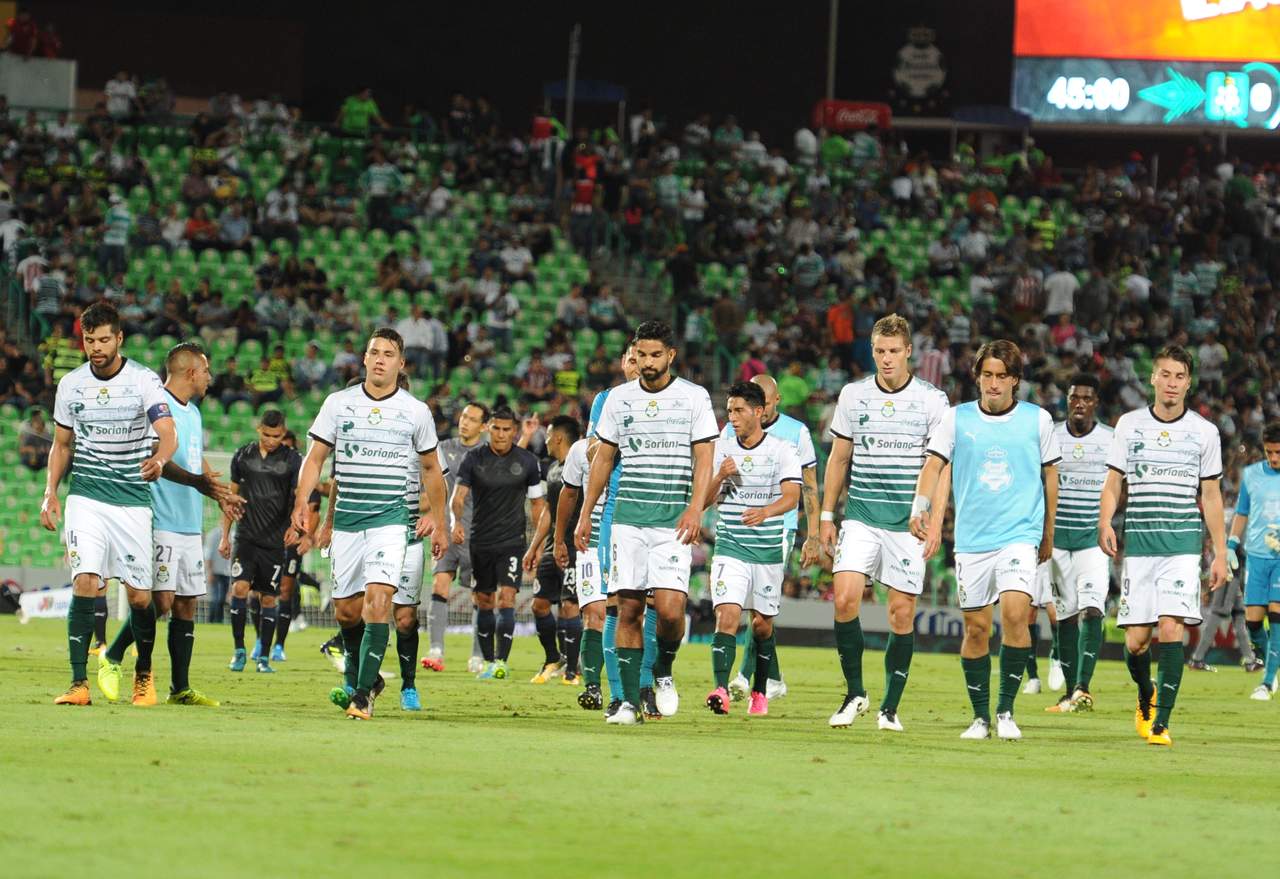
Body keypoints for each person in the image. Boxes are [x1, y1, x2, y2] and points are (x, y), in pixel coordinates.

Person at [294, 328, 448, 720]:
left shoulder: (415, 411)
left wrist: (439, 520)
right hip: (348, 521)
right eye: (374, 352)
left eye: (388, 354)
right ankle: (364, 676)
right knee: (347, 612)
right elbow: (315, 459)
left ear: (401, 363)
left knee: (379, 602)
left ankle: (362, 694)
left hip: (390, 521)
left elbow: (432, 470)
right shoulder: (338, 403)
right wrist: (301, 504)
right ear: (364, 358)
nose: (380, 359)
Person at [912, 339, 1060, 741]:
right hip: (973, 539)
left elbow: (1050, 476)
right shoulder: (956, 419)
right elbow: (933, 465)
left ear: (1015, 380)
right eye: (987, 375)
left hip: (1019, 534)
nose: (993, 383)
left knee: (1014, 614)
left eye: (1002, 376)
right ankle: (980, 718)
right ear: (977, 377)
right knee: (976, 630)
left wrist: (1047, 531)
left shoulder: (1038, 420)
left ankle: (1006, 710)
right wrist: (920, 507)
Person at [574, 320, 717, 725]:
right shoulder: (618, 399)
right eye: (642, 355)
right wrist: (586, 512)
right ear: (633, 355)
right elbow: (603, 458)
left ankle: (663, 668)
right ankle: (626, 703)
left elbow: (705, 456)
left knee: (670, 611)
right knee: (628, 608)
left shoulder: (693, 397)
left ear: (670, 355)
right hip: (628, 520)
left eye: (656, 355)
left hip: (672, 520)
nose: (648, 362)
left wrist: (696, 508)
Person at [41, 303, 178, 706]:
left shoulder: (143, 380)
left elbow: (167, 432)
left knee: (140, 597)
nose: (96, 348)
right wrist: (50, 491)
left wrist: (160, 459)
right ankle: (78, 683)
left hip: (132, 501)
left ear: (119, 338)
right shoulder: (71, 385)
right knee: (85, 580)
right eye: (90, 340)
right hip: (87, 497)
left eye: (104, 340)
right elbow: (61, 444)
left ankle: (143, 674)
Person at [821, 315, 949, 732]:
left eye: (894, 351)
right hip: (861, 516)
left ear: (908, 351)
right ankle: (854, 692)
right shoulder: (853, 395)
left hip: (908, 524)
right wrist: (826, 515)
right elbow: (839, 458)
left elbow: (941, 466)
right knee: (844, 599)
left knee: (900, 613)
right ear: (872, 351)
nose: (887, 358)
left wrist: (935, 520)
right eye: (880, 351)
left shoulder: (932, 401)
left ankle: (889, 708)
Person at [1099, 345, 1228, 746]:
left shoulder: (1204, 432)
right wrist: (1105, 520)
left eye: (1180, 377)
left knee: (1172, 627)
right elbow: (1114, 482)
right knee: (1136, 641)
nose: (1172, 383)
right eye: (1166, 375)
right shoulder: (1129, 425)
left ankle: (1162, 724)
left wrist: (1220, 552)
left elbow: (1211, 495)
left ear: (1189, 383)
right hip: (1139, 546)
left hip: (1182, 546)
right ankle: (1146, 693)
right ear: (1153, 378)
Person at [98, 343, 237, 707]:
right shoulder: (156, 406)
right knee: (161, 601)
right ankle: (112, 655)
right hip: (160, 518)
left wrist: (219, 492)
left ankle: (180, 688)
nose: (209, 378)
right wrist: (199, 482)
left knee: (186, 604)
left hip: (189, 521)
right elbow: (154, 457)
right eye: (205, 371)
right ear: (191, 372)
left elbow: (193, 456)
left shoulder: (193, 411)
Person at [704, 382, 801, 716]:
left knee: (762, 625)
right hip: (730, 545)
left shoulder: (782, 450)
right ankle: (720, 689)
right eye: (729, 410)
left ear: (758, 412)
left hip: (767, 550)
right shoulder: (722, 448)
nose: (732, 417)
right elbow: (703, 500)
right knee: (727, 614)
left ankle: (759, 690)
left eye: (739, 410)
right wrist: (720, 475)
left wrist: (766, 512)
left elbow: (792, 497)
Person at [725, 372, 820, 703]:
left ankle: (742, 676)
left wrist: (813, 535)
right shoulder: (732, 428)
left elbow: (809, 485)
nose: (760, 409)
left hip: (779, 527)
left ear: (775, 401)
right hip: (737, 527)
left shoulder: (796, 432)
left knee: (759, 606)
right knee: (753, 607)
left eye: (764, 402)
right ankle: (775, 679)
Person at [560, 346, 640, 714]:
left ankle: (645, 685)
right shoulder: (584, 447)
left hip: (640, 522)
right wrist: (561, 537)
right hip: (596, 533)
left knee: (640, 611)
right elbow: (568, 493)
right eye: (631, 359)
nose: (637, 366)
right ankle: (596, 687)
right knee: (597, 610)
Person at [452, 407, 546, 680]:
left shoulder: (528, 461)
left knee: (507, 598)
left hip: (512, 542)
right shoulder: (473, 458)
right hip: (480, 541)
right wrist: (456, 522)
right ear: (488, 428)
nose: (501, 434)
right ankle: (487, 661)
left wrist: (538, 544)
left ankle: (501, 662)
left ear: (514, 431)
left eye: (507, 430)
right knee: (484, 600)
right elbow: (458, 497)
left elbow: (538, 505)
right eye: (496, 428)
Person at [1042, 374, 1114, 713]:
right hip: (1057, 542)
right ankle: (1070, 693)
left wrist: (1107, 523)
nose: (1080, 404)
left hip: (1091, 541)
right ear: (1067, 400)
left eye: (1086, 398)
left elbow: (1117, 485)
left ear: (1095, 402)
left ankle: (1083, 687)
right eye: (1074, 398)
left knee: (1092, 608)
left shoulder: (1110, 439)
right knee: (1065, 617)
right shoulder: (1052, 436)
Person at [219, 409, 301, 674]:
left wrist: (296, 528)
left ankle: (264, 657)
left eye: (276, 436)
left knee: (268, 599)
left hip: (274, 541)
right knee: (240, 589)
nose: (271, 440)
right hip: (245, 537)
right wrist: (224, 536)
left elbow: (299, 497)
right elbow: (231, 498)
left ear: (283, 433)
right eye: (266, 434)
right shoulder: (243, 455)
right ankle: (239, 651)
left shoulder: (292, 460)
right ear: (259, 430)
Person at [423, 401, 488, 673]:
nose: (465, 422)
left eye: (472, 419)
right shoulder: (442, 448)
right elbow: (431, 486)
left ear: (483, 427)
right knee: (439, 586)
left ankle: (477, 656)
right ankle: (436, 650)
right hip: (446, 532)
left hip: (478, 534)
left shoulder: (488, 454)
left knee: (480, 597)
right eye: (464, 417)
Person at [522, 416, 584, 685]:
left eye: (548, 435)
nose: (545, 441)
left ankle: (573, 669)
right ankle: (552, 658)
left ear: (558, 437)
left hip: (574, 549)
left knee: (570, 606)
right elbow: (548, 511)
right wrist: (533, 547)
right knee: (539, 605)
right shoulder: (552, 470)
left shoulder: (582, 466)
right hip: (551, 548)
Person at [1225, 422, 1280, 700]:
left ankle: (1267, 683)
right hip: (1257, 557)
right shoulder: (1251, 475)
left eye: (1279, 452)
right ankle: (1274, 664)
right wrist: (1231, 544)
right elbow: (1242, 512)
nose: (1274, 458)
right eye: (1270, 452)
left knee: (1276, 614)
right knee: (1253, 623)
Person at [273, 429, 322, 662]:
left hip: (293, 537)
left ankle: (281, 640)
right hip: (267, 537)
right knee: (258, 591)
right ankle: (260, 641)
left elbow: (314, 509)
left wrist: (307, 537)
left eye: (289, 445)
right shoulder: (267, 470)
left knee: (287, 586)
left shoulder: (303, 474)